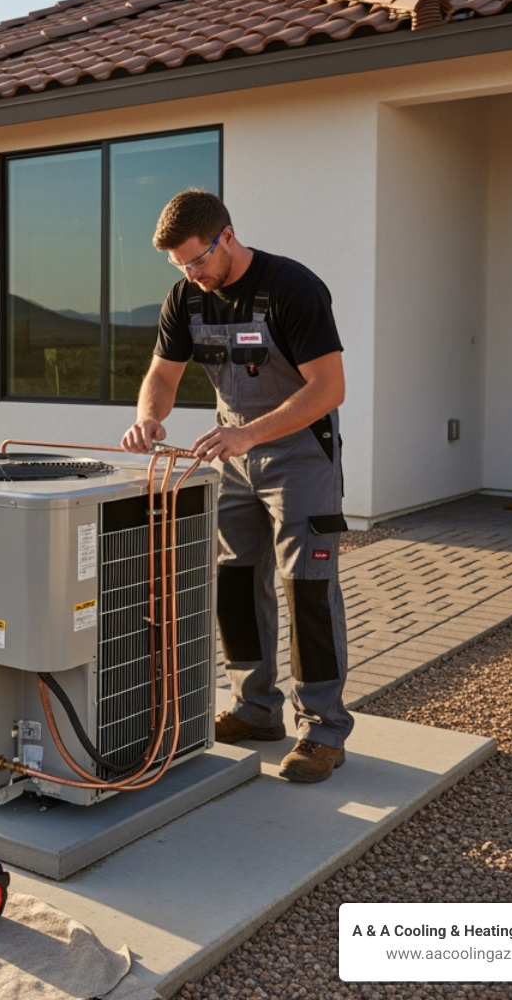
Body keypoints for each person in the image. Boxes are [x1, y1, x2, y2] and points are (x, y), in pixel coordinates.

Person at [122, 189, 352, 783]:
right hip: (234, 457)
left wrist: (249, 435)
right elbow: (161, 374)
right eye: (180, 266)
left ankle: (323, 730)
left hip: (301, 458)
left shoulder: (292, 288)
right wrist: (150, 414)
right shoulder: (186, 300)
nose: (192, 275)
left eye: (198, 260)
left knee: (307, 587)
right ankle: (255, 710)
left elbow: (328, 388)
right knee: (233, 582)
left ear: (226, 235)